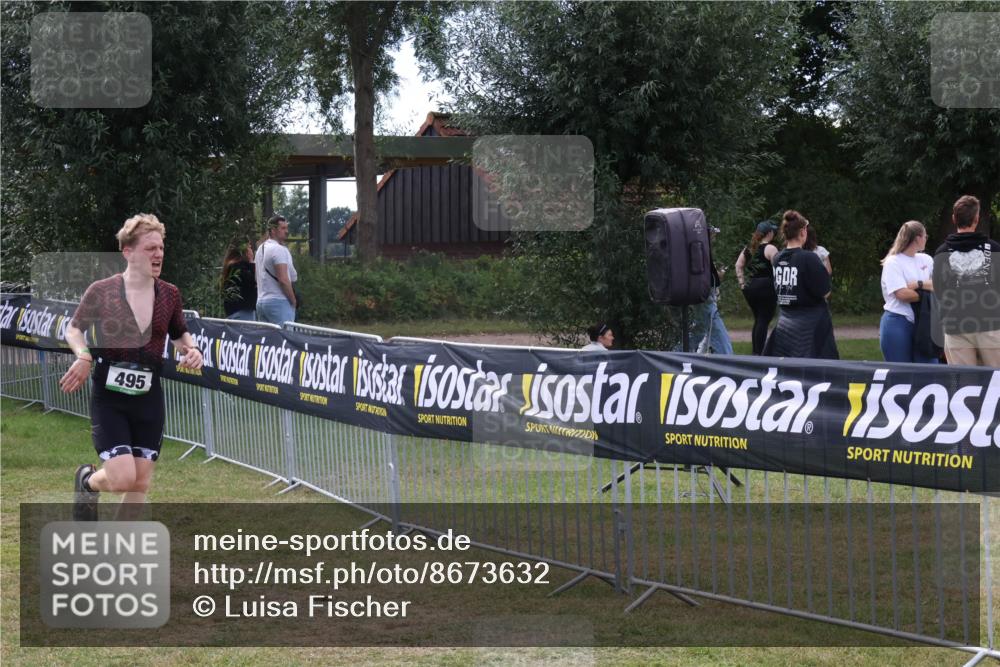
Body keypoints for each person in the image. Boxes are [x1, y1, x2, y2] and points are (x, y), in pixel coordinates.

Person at [60, 213, 204, 521]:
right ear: (128, 252)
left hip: (149, 397)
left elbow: (179, 334)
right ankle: (87, 482)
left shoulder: (170, 294)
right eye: (151, 248)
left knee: (141, 482)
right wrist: (83, 356)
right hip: (110, 397)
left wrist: (191, 351)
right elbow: (73, 329)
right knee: (123, 478)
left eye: (161, 248)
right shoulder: (102, 290)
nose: (159, 254)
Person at [933, 195, 1000, 367]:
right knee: (997, 380)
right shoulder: (994, 249)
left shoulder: (941, 252)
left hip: (956, 325)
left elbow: (939, 291)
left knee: (963, 385)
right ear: (977, 219)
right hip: (990, 323)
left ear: (954, 219)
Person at [763, 210, 838, 359]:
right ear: (803, 231)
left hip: (785, 323)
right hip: (810, 326)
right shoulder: (809, 258)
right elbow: (825, 292)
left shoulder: (777, 258)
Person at [879, 220, 938, 363]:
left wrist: (918, 284)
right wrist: (927, 292)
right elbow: (902, 294)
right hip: (898, 321)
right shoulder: (893, 262)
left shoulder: (926, 259)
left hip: (924, 320)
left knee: (929, 371)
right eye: (925, 236)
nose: (926, 239)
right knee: (900, 374)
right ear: (918, 238)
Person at [735, 220, 779, 355]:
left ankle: (756, 351)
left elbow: (738, 265)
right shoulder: (771, 248)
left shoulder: (749, 248)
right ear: (769, 233)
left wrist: (742, 284)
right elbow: (779, 268)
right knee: (764, 320)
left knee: (759, 319)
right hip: (766, 287)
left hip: (750, 287)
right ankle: (759, 353)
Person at [695, 226, 733, 354]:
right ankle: (728, 364)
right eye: (712, 234)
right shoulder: (701, 249)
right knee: (720, 337)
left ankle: (676, 356)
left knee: (698, 332)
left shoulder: (703, 249)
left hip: (705, 295)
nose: (714, 238)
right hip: (706, 297)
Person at [255, 214, 298, 324]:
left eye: (286, 228)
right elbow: (284, 280)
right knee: (285, 339)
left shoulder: (260, 249)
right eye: (283, 228)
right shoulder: (278, 249)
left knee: (266, 340)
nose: (286, 231)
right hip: (278, 302)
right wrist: (293, 301)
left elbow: (257, 277)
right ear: (273, 230)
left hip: (261, 302)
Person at [221, 239, 256, 320]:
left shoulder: (231, 265)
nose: (251, 250)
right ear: (244, 251)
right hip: (243, 312)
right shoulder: (238, 266)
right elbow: (252, 281)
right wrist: (251, 261)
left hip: (234, 311)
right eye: (249, 247)